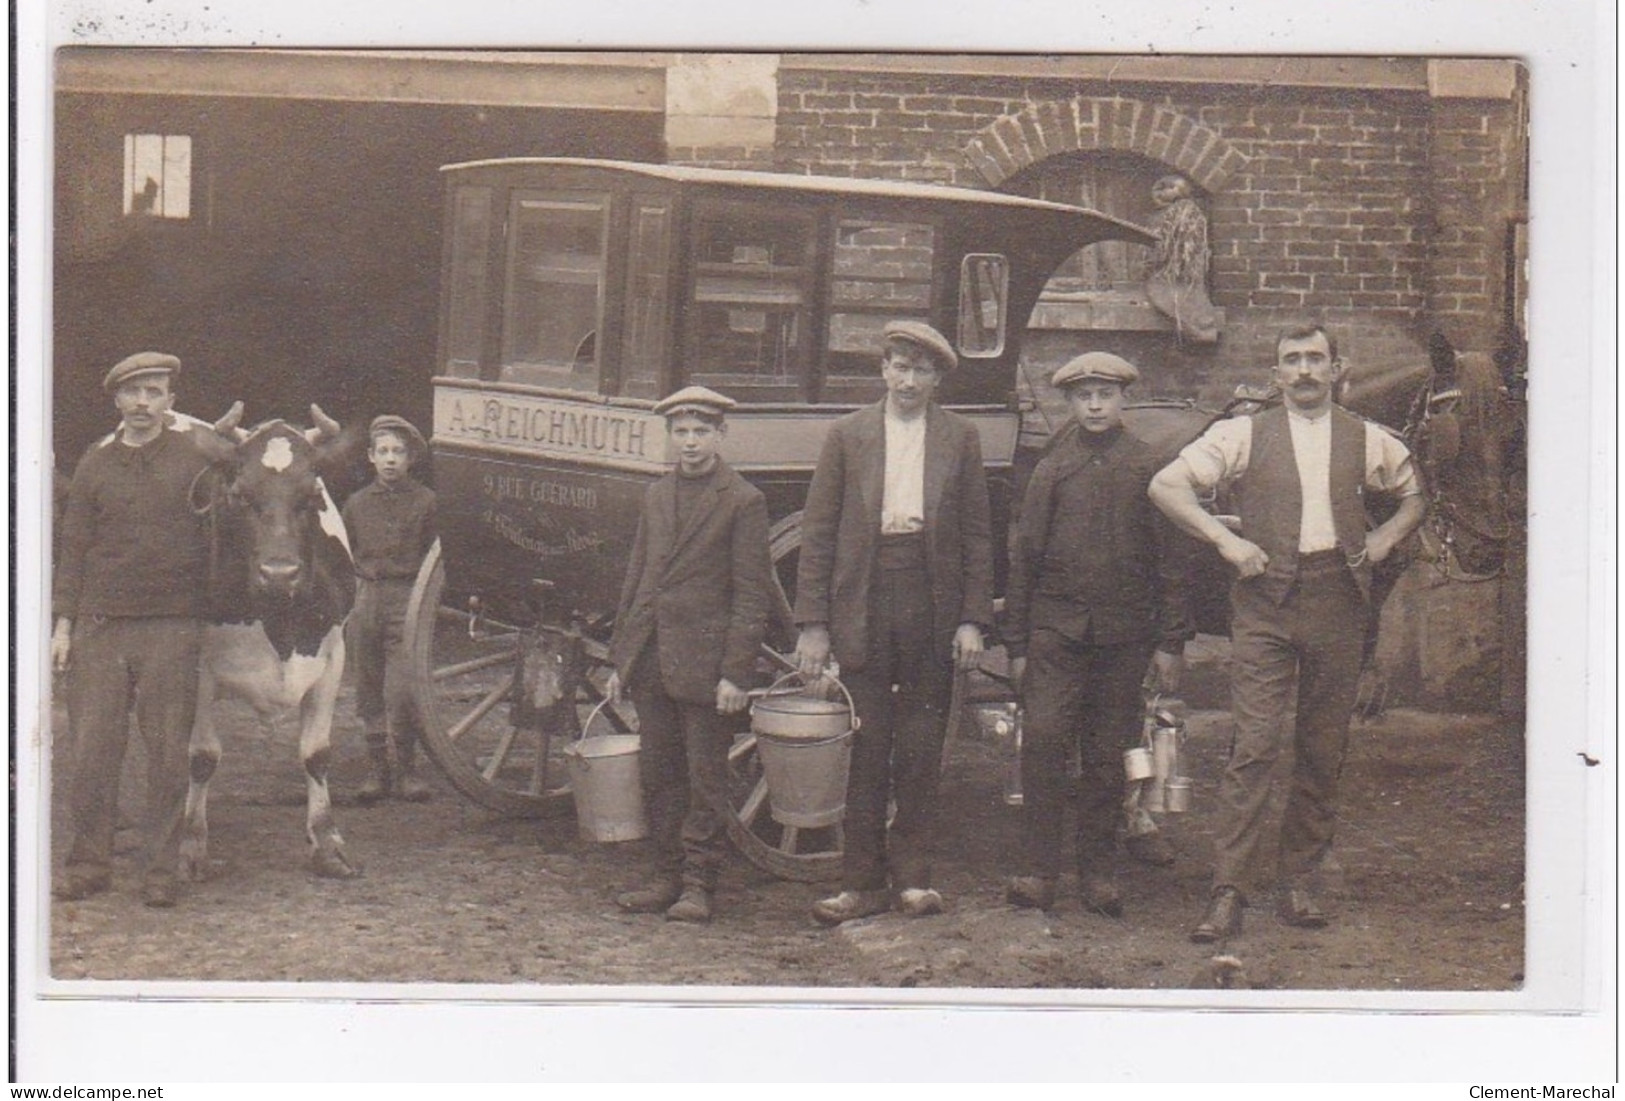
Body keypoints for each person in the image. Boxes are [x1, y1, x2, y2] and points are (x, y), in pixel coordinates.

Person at [1149, 321, 1425, 942]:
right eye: (1291, 361)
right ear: (1276, 374)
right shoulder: (1242, 434)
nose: (1303, 371)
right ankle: (1228, 889)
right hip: (1265, 602)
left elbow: (1414, 493)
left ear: (1336, 369)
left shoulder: (1368, 439)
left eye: (1315, 360)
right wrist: (1226, 540)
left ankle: (1299, 879)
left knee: (1323, 748)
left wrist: (1383, 538)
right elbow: (1166, 485)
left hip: (1337, 600)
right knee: (1254, 746)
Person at [794, 319, 994, 925]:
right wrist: (814, 625)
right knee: (867, 740)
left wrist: (971, 619)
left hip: (930, 600)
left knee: (919, 746)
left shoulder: (960, 438)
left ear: (937, 379)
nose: (908, 381)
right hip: (865, 598)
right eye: (899, 367)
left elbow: (978, 537)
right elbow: (819, 534)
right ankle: (859, 883)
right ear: (882, 370)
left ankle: (912, 880)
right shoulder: (848, 435)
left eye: (922, 370)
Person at [1002, 352, 1193, 916]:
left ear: (1122, 399)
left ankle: (1099, 872)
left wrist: (1171, 642)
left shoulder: (1149, 467)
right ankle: (1039, 871)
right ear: (1069, 402)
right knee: (1042, 741)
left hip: (1124, 635)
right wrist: (1015, 644)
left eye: (1104, 394)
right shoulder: (1052, 469)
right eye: (1083, 395)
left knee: (1108, 753)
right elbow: (1025, 560)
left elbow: (1172, 563)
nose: (1094, 405)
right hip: (1056, 633)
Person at [52, 352, 213, 907]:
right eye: (133, 392)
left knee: (168, 752)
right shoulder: (95, 462)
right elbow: (72, 549)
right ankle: (88, 864)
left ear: (171, 401)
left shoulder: (198, 459)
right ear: (116, 399)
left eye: (155, 392)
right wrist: (64, 624)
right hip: (101, 625)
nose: (143, 403)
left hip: (172, 625)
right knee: (92, 749)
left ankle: (159, 871)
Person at [607, 386, 773, 924]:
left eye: (701, 431)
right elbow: (639, 578)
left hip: (706, 664)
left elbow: (753, 592)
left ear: (721, 435)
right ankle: (665, 874)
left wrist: (735, 673)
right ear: (669, 436)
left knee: (705, 776)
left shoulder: (743, 500)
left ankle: (699, 883)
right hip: (655, 656)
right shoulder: (656, 495)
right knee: (658, 771)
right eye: (681, 432)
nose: (691, 442)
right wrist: (622, 659)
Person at [343, 415, 438, 804]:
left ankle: (407, 770)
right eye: (382, 451)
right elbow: (343, 556)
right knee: (367, 686)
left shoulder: (427, 503)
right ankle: (376, 770)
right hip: (365, 598)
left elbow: (436, 562)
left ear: (410, 458)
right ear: (370, 457)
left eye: (398, 452)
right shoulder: (356, 505)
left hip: (407, 599)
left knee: (402, 689)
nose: (390, 460)